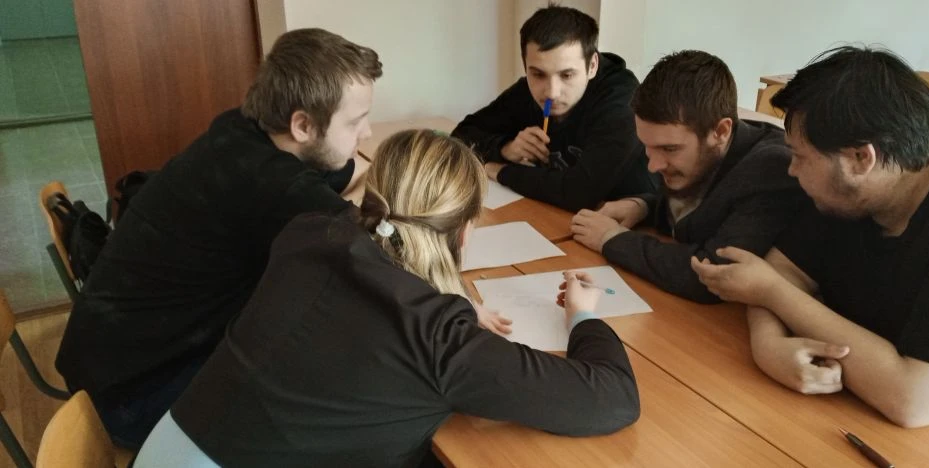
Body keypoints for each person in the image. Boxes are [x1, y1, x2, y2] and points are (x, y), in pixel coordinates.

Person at [134, 129, 641, 467]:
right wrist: (583, 317)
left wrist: (460, 303)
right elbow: (612, 397)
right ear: (464, 231)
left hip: (164, 450)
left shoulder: (309, 235)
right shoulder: (439, 339)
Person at [54, 28, 383, 447]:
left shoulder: (240, 130)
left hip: (111, 359)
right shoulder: (269, 185)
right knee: (331, 387)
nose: (367, 132)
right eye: (355, 121)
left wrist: (364, 174)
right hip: (132, 396)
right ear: (302, 125)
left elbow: (329, 174)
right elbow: (376, 262)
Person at [691, 46, 929, 427]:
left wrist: (771, 294)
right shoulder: (856, 186)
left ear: (861, 159)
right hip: (865, 401)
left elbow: (915, 400)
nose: (791, 170)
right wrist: (769, 343)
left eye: (800, 156)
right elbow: (781, 270)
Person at [570, 50, 807, 303]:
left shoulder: (771, 170)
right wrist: (642, 207)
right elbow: (697, 216)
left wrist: (611, 238)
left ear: (721, 131)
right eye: (647, 146)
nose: (653, 166)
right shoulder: (704, 151)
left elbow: (712, 274)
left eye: (669, 149)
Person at [451, 4, 657, 211]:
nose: (552, 92)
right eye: (538, 74)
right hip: (554, 213)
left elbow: (581, 192)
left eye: (567, 75)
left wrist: (501, 171)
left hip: (632, 220)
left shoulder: (622, 99)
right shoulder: (525, 91)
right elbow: (461, 135)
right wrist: (505, 148)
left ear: (592, 65)